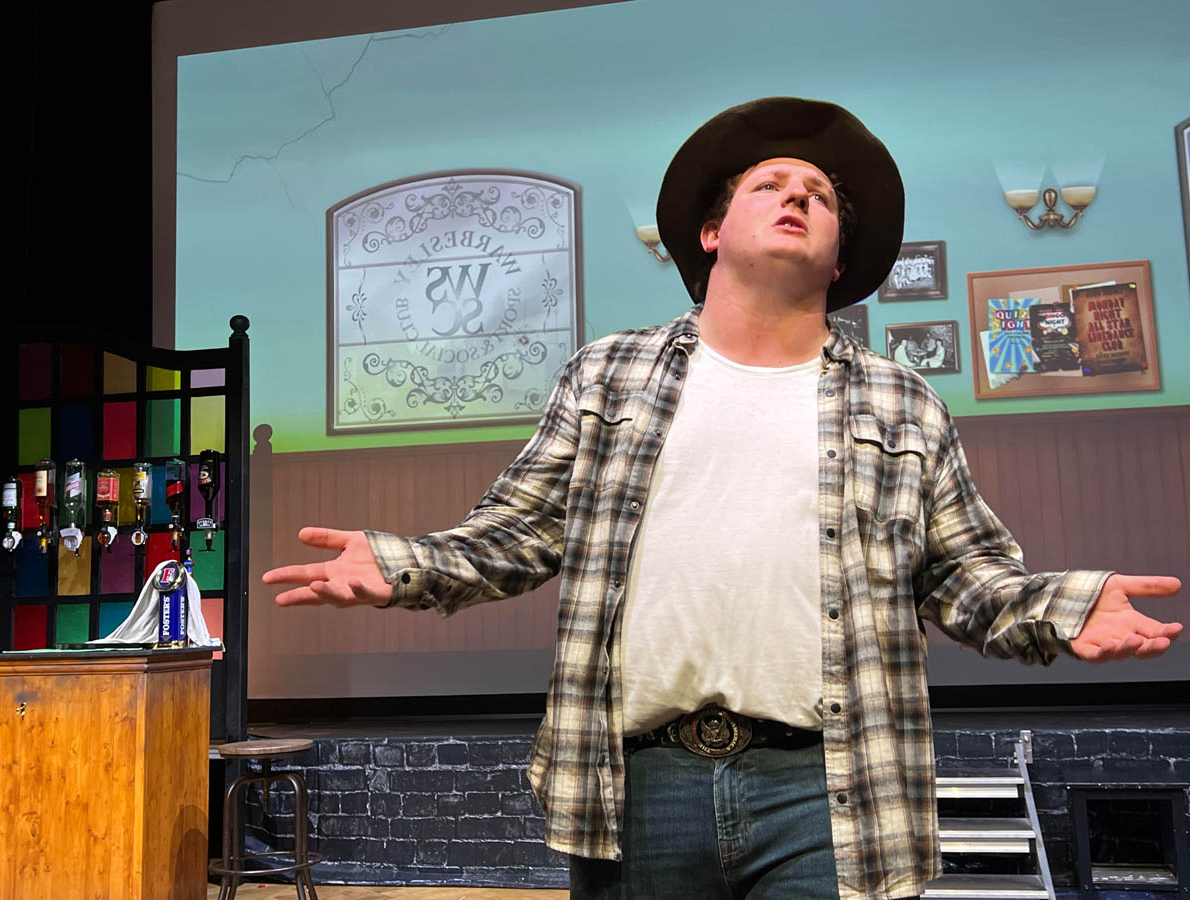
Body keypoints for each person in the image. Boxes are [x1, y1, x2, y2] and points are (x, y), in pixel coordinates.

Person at [263, 98, 1182, 900]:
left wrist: (1062, 605)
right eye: (770, 184)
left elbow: (964, 577)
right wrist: (406, 564)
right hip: (640, 786)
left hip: (832, 788)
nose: (798, 197)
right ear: (711, 233)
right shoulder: (609, 375)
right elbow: (517, 534)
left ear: (838, 258)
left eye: (819, 196)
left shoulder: (902, 401)